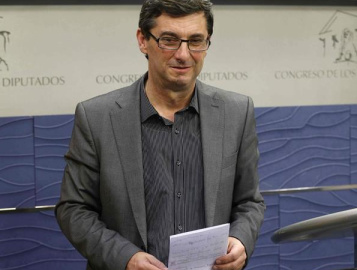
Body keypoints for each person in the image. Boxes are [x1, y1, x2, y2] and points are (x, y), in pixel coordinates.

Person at [55, 1, 265, 269]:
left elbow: (249, 201)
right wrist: (125, 258)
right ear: (143, 40)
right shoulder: (97, 117)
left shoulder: (236, 112)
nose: (184, 54)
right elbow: (74, 209)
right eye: (169, 40)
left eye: (196, 41)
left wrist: (240, 240)